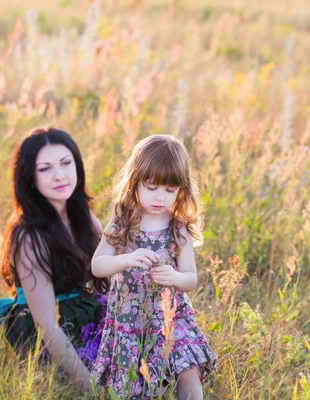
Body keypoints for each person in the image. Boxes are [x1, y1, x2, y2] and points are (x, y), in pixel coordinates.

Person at [91, 134, 217, 399]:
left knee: (188, 369)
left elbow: (190, 278)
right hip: (130, 319)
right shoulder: (122, 223)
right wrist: (125, 259)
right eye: (151, 187)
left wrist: (173, 277)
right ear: (134, 182)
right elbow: (97, 266)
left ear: (181, 190)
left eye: (170, 191)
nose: (160, 197)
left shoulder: (178, 228)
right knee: (137, 384)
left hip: (171, 316)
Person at [0, 127, 108, 390]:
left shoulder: (84, 217)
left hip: (84, 308)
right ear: (30, 177)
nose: (59, 176)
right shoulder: (29, 238)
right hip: (50, 328)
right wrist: (89, 388)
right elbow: (46, 325)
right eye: (45, 168)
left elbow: (108, 281)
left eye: (66, 163)